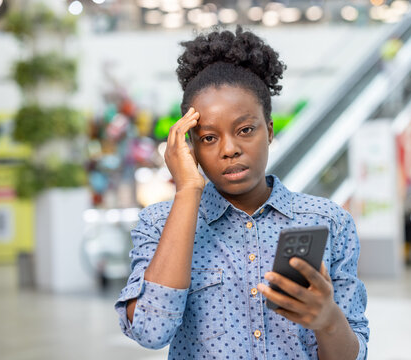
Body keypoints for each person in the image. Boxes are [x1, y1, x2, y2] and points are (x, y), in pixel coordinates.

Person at [115, 26, 369, 360]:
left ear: (270, 131)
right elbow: (150, 332)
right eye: (208, 137)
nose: (230, 149)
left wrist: (328, 321)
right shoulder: (159, 224)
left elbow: (354, 354)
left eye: (245, 130)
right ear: (189, 146)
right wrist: (188, 190)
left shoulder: (328, 221)